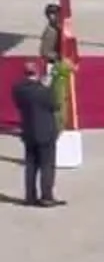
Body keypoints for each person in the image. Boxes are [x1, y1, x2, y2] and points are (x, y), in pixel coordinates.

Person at [9, 57, 60, 208]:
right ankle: (47, 197)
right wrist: (47, 87)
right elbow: (55, 105)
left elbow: (18, 105)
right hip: (45, 133)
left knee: (30, 165)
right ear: (37, 73)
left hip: (29, 131)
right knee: (47, 165)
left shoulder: (18, 89)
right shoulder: (43, 91)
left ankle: (30, 197)